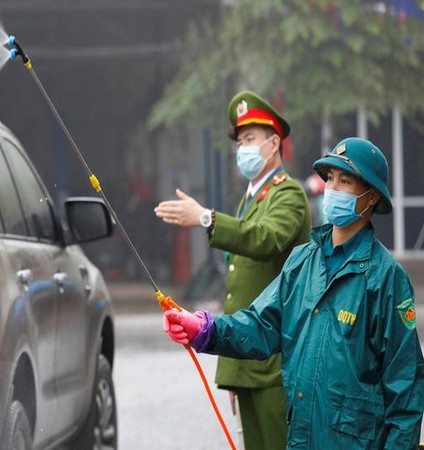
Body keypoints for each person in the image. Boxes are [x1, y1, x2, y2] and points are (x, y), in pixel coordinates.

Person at [163, 137, 424, 449]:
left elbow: (405, 388)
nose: (332, 189)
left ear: (370, 198)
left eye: (345, 181)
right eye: (330, 179)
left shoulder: (385, 279)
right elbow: (261, 325)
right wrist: (206, 329)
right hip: (301, 438)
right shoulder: (302, 261)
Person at [155, 90, 311, 449]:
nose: (243, 148)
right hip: (247, 360)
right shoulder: (251, 198)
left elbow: (265, 238)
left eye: (251, 140)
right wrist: (235, 372)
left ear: (274, 143)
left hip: (275, 362)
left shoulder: (288, 195)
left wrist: (207, 218)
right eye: (239, 141)